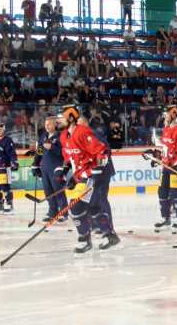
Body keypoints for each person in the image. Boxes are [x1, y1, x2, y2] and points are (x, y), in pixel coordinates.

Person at [56, 105, 120, 253]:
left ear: (71, 118)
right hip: (80, 176)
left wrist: (96, 171)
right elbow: (69, 158)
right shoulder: (63, 136)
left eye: (61, 118)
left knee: (75, 207)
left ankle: (84, 239)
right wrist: (66, 172)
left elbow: (102, 151)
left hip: (90, 176)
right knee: (93, 208)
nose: (58, 121)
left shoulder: (83, 132)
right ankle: (110, 235)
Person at [147, 104, 177, 231]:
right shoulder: (166, 129)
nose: (164, 117)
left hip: (176, 166)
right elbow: (166, 148)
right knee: (162, 192)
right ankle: (166, 217)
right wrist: (157, 157)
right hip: (166, 166)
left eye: (166, 114)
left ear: (173, 115)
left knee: (176, 193)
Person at [31, 117, 68, 223]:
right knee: (48, 192)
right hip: (45, 168)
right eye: (46, 124)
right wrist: (35, 165)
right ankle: (52, 212)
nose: (47, 126)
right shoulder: (44, 136)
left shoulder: (61, 136)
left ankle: (63, 212)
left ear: (55, 125)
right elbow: (39, 152)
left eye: (49, 124)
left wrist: (52, 147)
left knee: (58, 191)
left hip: (57, 168)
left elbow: (64, 152)